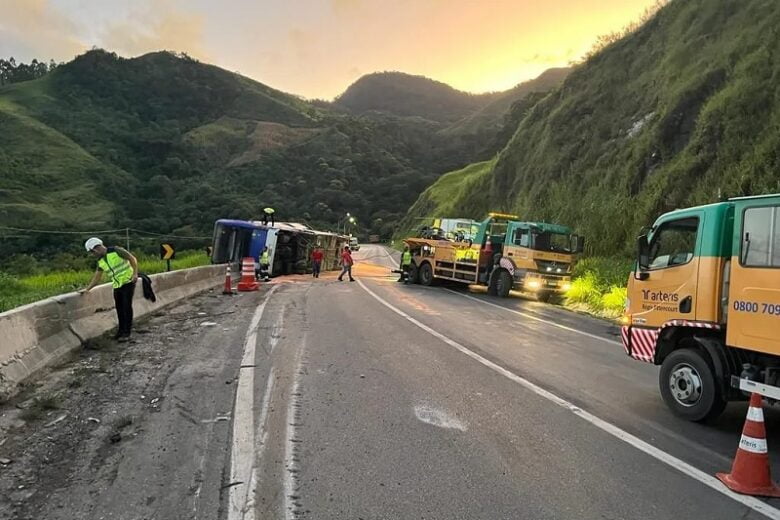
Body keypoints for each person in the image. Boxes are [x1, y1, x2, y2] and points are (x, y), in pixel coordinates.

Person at [80, 237, 138, 342]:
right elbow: (97, 276)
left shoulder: (116, 250)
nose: (93, 254)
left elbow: (132, 258)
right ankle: (120, 331)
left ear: (96, 249)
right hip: (117, 285)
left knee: (126, 307)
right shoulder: (101, 261)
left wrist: (135, 273)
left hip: (128, 282)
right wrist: (87, 289)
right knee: (119, 308)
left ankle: (127, 333)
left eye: (93, 252)